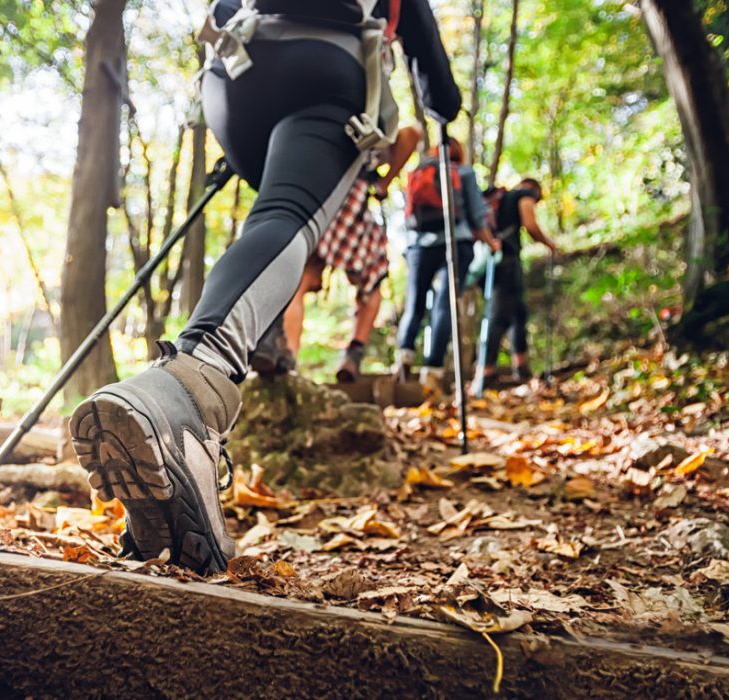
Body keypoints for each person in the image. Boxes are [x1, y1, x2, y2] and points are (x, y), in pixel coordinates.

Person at [68, 0, 461, 574]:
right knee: (286, 218)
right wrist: (440, 108)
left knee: (273, 212)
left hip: (232, 78)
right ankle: (190, 392)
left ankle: (263, 347)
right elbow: (437, 88)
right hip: (323, 70)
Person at [253, 125, 422, 382]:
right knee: (371, 279)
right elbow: (413, 133)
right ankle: (353, 353)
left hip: (314, 198)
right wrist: (384, 183)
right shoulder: (367, 121)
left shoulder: (313, 125)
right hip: (352, 202)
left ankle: (286, 355)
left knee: (299, 281)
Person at [392, 137, 493, 392]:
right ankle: (432, 371)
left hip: (418, 246)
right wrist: (491, 242)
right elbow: (477, 217)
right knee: (444, 305)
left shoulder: (417, 172)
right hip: (455, 243)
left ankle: (403, 357)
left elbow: (408, 216)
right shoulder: (463, 172)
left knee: (414, 304)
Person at [478, 177, 558, 385]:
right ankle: (486, 371)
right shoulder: (524, 194)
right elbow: (530, 224)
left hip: (490, 261)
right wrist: (549, 243)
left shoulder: (500, 199)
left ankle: (520, 367)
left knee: (517, 312)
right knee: (498, 315)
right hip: (506, 259)